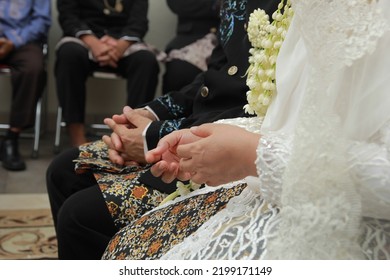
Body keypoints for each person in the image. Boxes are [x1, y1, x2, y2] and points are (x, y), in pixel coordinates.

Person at [101, 0, 390, 260]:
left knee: (92, 221)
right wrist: (189, 139)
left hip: (336, 218)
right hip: (273, 184)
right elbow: (282, 115)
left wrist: (251, 154)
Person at [46, 0, 281, 260]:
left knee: (79, 217)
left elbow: (251, 110)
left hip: (222, 155)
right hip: (190, 129)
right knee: (64, 169)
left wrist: (150, 137)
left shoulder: (288, 12)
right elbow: (213, 77)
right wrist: (147, 114)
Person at [54, 0, 160, 146]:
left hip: (124, 43)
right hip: (84, 39)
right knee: (68, 55)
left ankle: (132, 134)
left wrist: (119, 46)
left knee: (146, 61)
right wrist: (94, 43)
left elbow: (139, 21)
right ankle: (76, 135)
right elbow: (68, 16)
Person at [0, 0, 51, 171]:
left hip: (23, 40)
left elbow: (42, 20)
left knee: (33, 69)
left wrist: (13, 41)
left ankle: (11, 138)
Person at [161, 0, 220, 93]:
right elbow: (176, 3)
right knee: (180, 71)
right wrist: (216, 4)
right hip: (192, 34)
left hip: (234, 34)